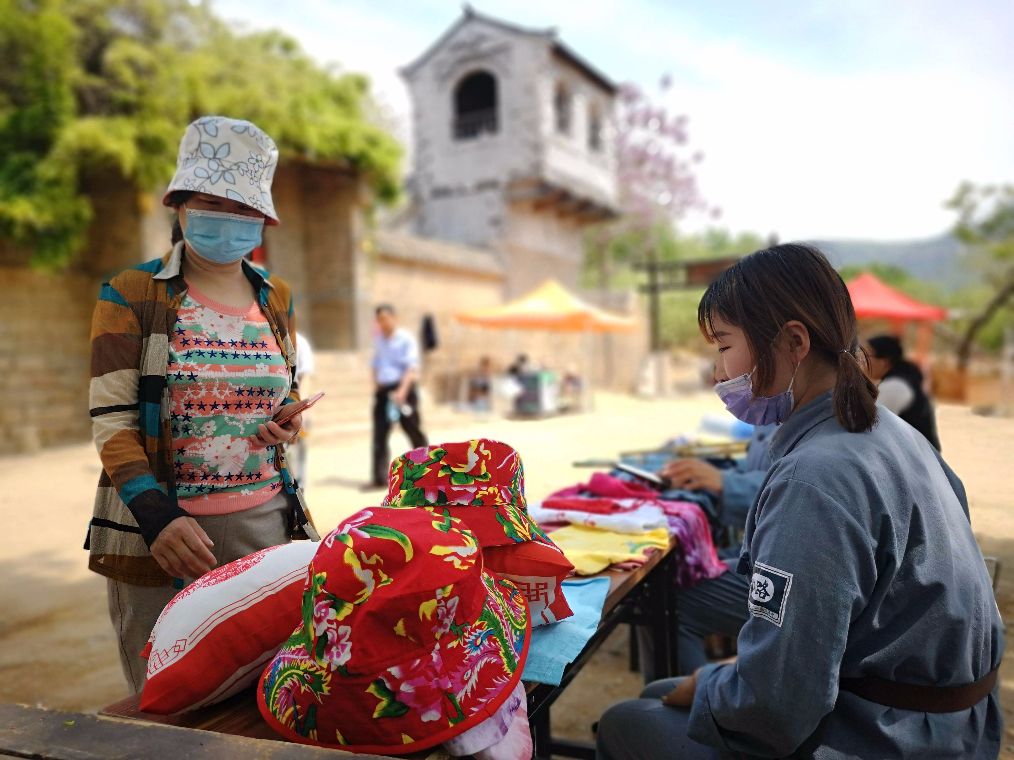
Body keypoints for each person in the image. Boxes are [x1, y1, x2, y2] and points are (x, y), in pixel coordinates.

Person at [598, 243, 1003, 759]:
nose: (718, 374)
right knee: (668, 695)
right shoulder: (895, 433)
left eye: (724, 347)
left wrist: (715, 687)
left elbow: (776, 706)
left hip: (886, 735)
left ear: (793, 342)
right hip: (952, 723)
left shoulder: (814, 479)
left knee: (627, 721)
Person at [85, 116, 310, 692]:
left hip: (267, 528)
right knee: (173, 704)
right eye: (212, 202)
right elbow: (112, 420)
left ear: (261, 218)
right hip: (163, 540)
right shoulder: (131, 293)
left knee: (266, 695)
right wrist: (158, 518)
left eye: (243, 208)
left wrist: (285, 419)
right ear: (181, 205)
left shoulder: (275, 295)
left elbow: (277, 390)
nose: (228, 219)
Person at [633, 422, 776, 682]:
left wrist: (726, 482)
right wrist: (714, 472)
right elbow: (767, 468)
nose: (720, 380)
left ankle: (680, 709)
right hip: (770, 555)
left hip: (791, 573)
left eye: (726, 376)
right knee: (666, 578)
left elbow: (792, 485)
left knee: (664, 595)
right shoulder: (797, 411)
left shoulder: (826, 424)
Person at [369, 304, 427, 488]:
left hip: (404, 389)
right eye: (380, 320)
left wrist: (402, 390)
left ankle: (427, 470)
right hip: (384, 391)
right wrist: (376, 383)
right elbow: (376, 363)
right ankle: (379, 478)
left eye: (386, 318)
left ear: (394, 318)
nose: (383, 323)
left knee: (413, 429)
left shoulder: (406, 339)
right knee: (380, 433)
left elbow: (411, 367)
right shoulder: (379, 341)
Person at [866, 334, 941, 450]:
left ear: (884, 361)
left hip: (916, 460)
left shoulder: (895, 385)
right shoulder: (904, 378)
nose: (862, 361)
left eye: (867, 356)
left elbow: (871, 427)